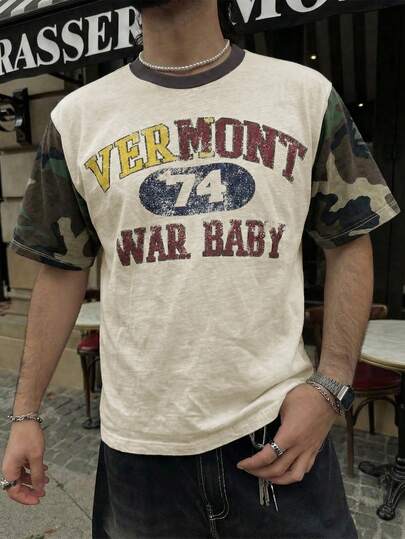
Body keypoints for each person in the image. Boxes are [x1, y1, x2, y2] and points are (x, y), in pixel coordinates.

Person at [1, 0, 401, 537]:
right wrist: (26, 413)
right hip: (140, 453)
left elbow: (350, 240)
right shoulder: (76, 118)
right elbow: (60, 270)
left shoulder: (304, 94)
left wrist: (331, 388)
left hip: (277, 431)